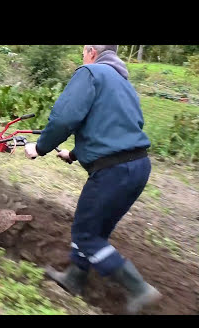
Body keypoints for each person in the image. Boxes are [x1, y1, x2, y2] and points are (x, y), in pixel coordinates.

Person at [24, 45, 162, 314]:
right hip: (137, 167)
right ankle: (75, 278)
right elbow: (114, 127)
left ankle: (139, 289)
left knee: (86, 235)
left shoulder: (90, 72)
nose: (82, 56)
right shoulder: (122, 83)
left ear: (91, 51)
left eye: (83, 51)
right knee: (95, 230)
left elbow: (65, 118)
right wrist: (74, 154)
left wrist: (39, 147)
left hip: (113, 171)